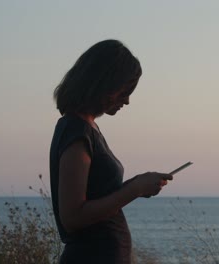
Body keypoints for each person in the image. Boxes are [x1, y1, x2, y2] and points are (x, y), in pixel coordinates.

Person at [49, 39, 173, 264]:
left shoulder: (87, 128)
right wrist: (134, 189)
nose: (127, 100)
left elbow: (99, 198)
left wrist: (137, 184)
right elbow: (73, 217)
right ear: (103, 85)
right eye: (124, 91)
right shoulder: (76, 131)